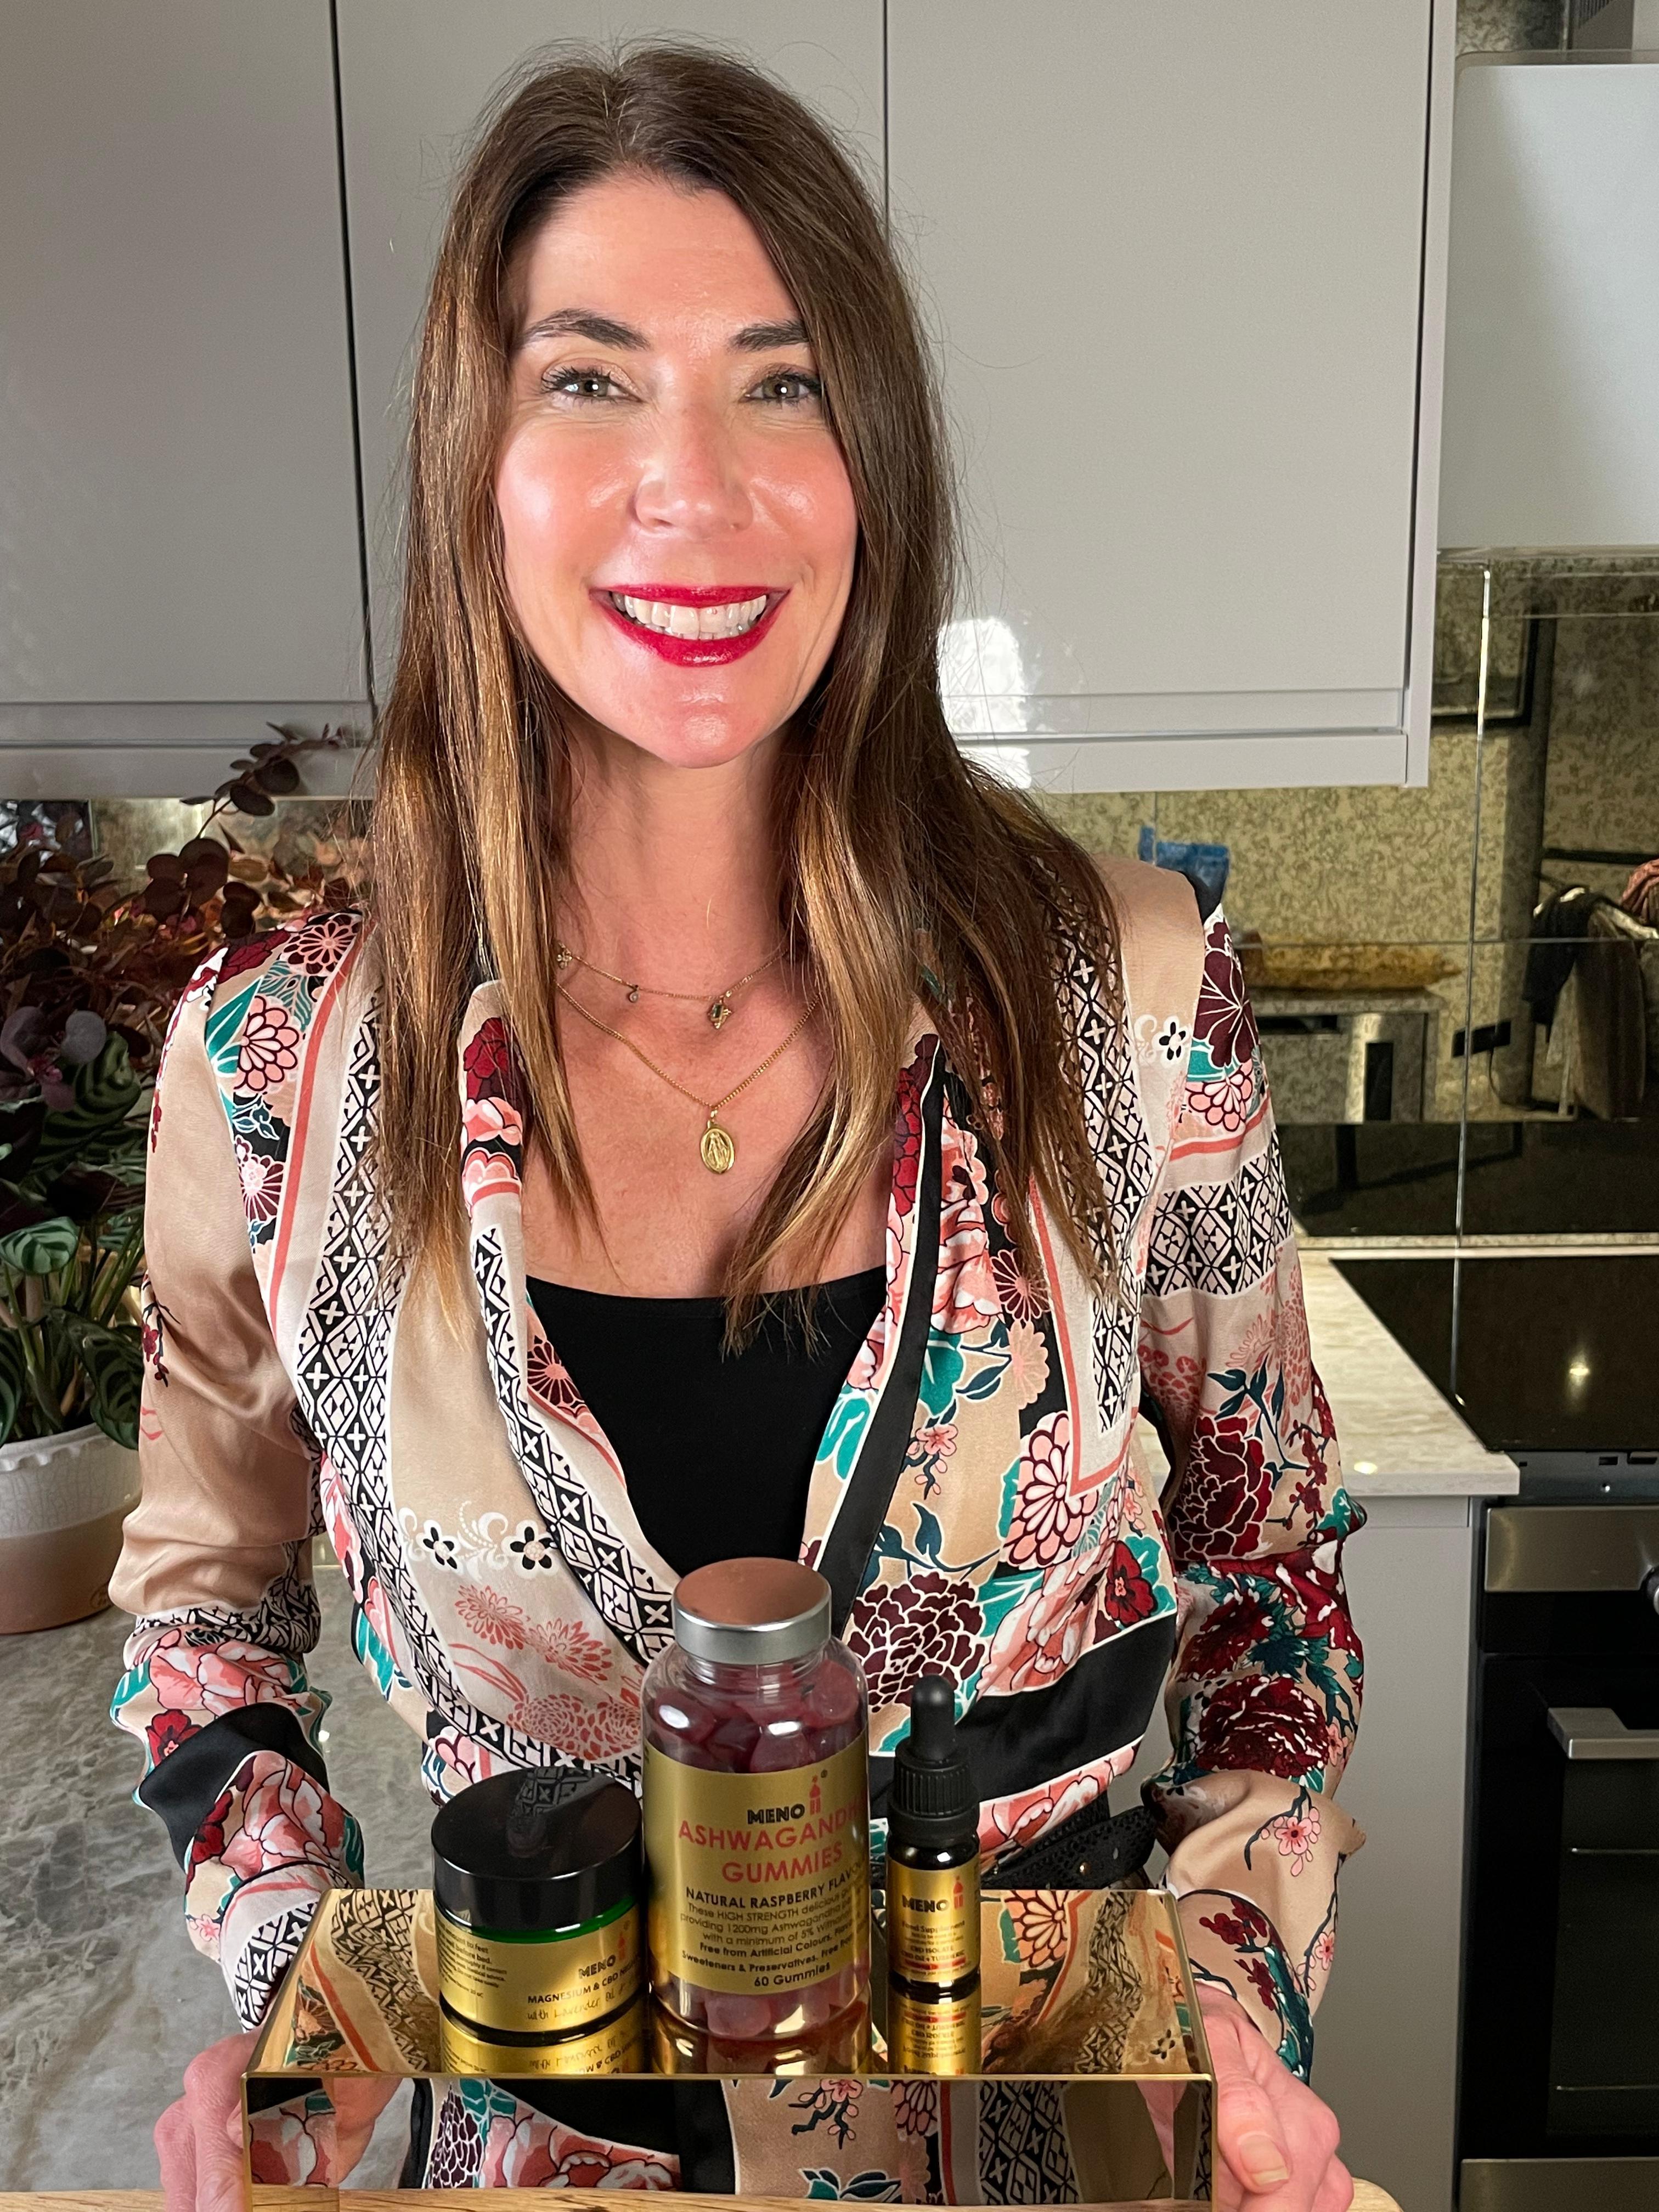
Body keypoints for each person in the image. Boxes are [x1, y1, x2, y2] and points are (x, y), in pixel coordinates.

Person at [111, 42, 1362, 2212]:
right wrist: (304, 1986)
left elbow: (1274, 1577)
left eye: (781, 386)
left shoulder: (1129, 997)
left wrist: (1232, 2009)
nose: (694, 486)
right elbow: (203, 1618)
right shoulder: (277, 1064)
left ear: (871, 462)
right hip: (542, 2154)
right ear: (478, 462)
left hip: (1042, 2144)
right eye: (591, 382)